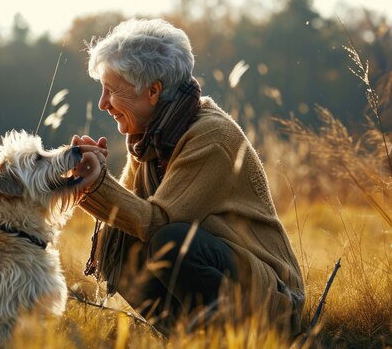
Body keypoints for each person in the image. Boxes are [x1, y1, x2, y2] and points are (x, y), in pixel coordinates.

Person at [71, 18, 304, 337]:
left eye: (111, 90)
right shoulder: (153, 137)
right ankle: (189, 337)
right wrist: (93, 178)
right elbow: (128, 212)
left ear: (153, 91)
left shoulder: (210, 137)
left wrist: (97, 185)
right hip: (228, 273)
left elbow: (157, 223)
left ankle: (242, 336)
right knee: (118, 239)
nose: (102, 104)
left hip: (271, 296)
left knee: (172, 241)